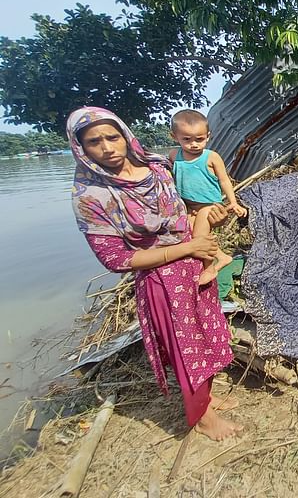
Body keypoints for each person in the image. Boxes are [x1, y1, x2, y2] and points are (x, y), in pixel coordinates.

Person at [67, 106, 243, 441]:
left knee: (205, 335)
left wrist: (207, 225)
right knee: (184, 346)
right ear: (81, 148)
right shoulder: (91, 196)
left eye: (112, 136)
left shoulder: (157, 167)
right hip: (162, 279)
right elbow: (115, 258)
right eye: (94, 141)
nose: (107, 147)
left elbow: (184, 213)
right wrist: (184, 250)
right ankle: (201, 416)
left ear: (124, 135)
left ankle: (208, 397)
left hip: (197, 262)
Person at [169, 109, 247, 286]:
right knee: (187, 236)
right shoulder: (174, 156)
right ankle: (223, 257)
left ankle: (210, 267)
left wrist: (233, 202)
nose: (194, 144)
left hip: (209, 205)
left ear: (208, 136)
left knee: (199, 236)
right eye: (186, 139)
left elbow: (224, 180)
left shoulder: (211, 157)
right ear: (174, 137)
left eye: (199, 139)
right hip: (188, 206)